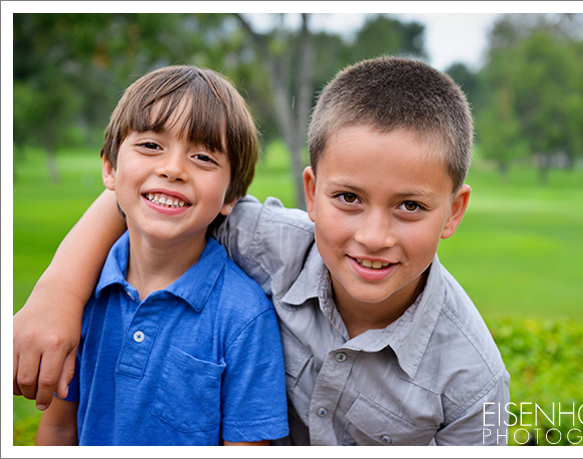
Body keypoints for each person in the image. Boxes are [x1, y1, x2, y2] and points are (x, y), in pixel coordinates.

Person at [15, 57, 510, 446]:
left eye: (410, 206)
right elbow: (146, 201)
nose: (374, 236)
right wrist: (58, 294)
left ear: (454, 211)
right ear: (311, 192)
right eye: (348, 198)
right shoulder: (264, 241)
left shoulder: (475, 382)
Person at [30, 65, 288, 446]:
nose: (173, 169)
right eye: (151, 145)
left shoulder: (244, 318)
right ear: (110, 168)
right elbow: (59, 428)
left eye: (203, 157)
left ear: (231, 196)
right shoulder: (83, 292)